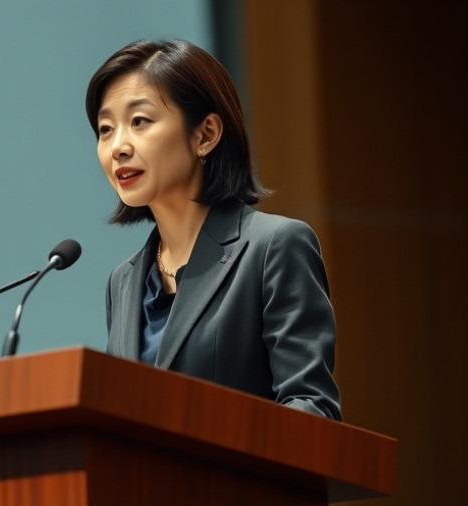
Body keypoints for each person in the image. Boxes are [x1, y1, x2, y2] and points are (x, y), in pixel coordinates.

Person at [87, 39, 341, 420]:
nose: (118, 146)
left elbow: (312, 408)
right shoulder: (123, 282)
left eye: (139, 121)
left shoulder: (273, 247)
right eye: (106, 129)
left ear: (205, 134)